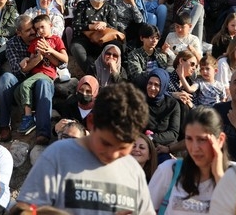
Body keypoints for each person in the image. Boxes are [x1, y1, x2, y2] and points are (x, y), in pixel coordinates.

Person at [17, 82, 154, 214]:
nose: (113, 155)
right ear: (91, 122)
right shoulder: (58, 156)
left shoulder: (134, 171)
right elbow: (26, 211)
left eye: (123, 148)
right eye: (106, 143)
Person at [149, 107, 228, 214]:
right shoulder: (169, 170)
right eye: (189, 139)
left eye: (202, 140)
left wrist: (219, 177)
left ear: (220, 140)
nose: (195, 147)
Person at [0, 16, 54, 145]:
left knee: (43, 83)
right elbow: (18, 70)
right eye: (28, 30)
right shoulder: (12, 44)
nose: (33, 32)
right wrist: (36, 60)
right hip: (21, 82)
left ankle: (43, 132)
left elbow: (60, 63)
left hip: (41, 80)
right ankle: (4, 125)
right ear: (18, 32)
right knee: (6, 78)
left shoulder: (44, 39)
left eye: (33, 28)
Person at [16, 14, 67, 136]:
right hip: (35, 74)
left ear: (51, 25)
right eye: (37, 28)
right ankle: (31, 114)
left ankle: (28, 118)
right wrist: (27, 59)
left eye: (42, 27)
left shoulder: (56, 40)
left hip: (47, 74)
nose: (40, 31)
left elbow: (65, 59)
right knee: (18, 91)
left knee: (24, 86)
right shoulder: (35, 42)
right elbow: (31, 59)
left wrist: (50, 51)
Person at [69, 0, 118, 75]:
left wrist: (105, 25)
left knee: (115, 45)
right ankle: (94, 75)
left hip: (102, 40)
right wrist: (91, 26)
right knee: (75, 47)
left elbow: (114, 28)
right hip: (83, 39)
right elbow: (75, 25)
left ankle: (115, 74)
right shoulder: (82, 5)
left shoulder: (110, 8)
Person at [143, 68, 181, 161]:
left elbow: (173, 133)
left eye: (156, 85)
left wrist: (153, 138)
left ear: (163, 86)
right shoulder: (140, 101)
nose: (152, 88)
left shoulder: (172, 104)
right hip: (143, 145)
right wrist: (147, 140)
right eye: (150, 83)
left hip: (165, 147)